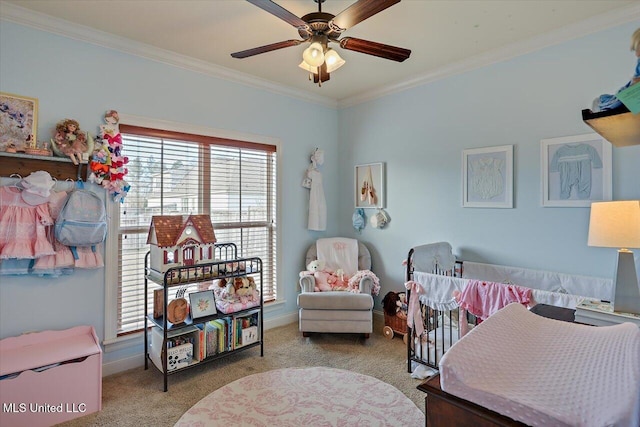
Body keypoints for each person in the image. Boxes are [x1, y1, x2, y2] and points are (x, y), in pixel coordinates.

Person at [593, 27, 640, 112]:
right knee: (618, 101)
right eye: (636, 50)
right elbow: (635, 81)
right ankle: (601, 103)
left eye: (638, 49)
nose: (637, 54)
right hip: (632, 92)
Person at [306, 148, 326, 231]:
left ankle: (319, 226)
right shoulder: (312, 173)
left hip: (319, 194)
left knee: (320, 208)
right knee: (315, 207)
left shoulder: (318, 174)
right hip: (315, 193)